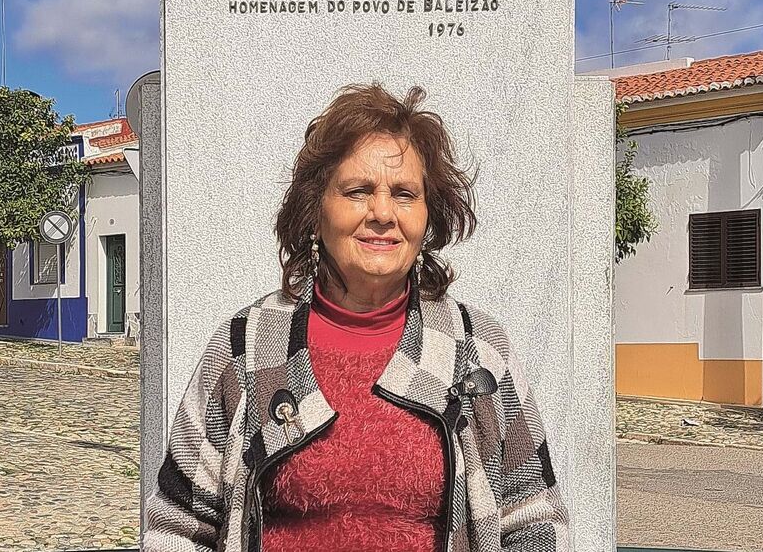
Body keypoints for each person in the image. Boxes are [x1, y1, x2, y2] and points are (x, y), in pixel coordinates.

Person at [143, 84, 568, 552]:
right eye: (358, 191)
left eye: (405, 194)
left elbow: (533, 516)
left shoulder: (476, 349)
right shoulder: (246, 345)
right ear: (315, 211)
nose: (383, 213)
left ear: (428, 217)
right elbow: (178, 523)